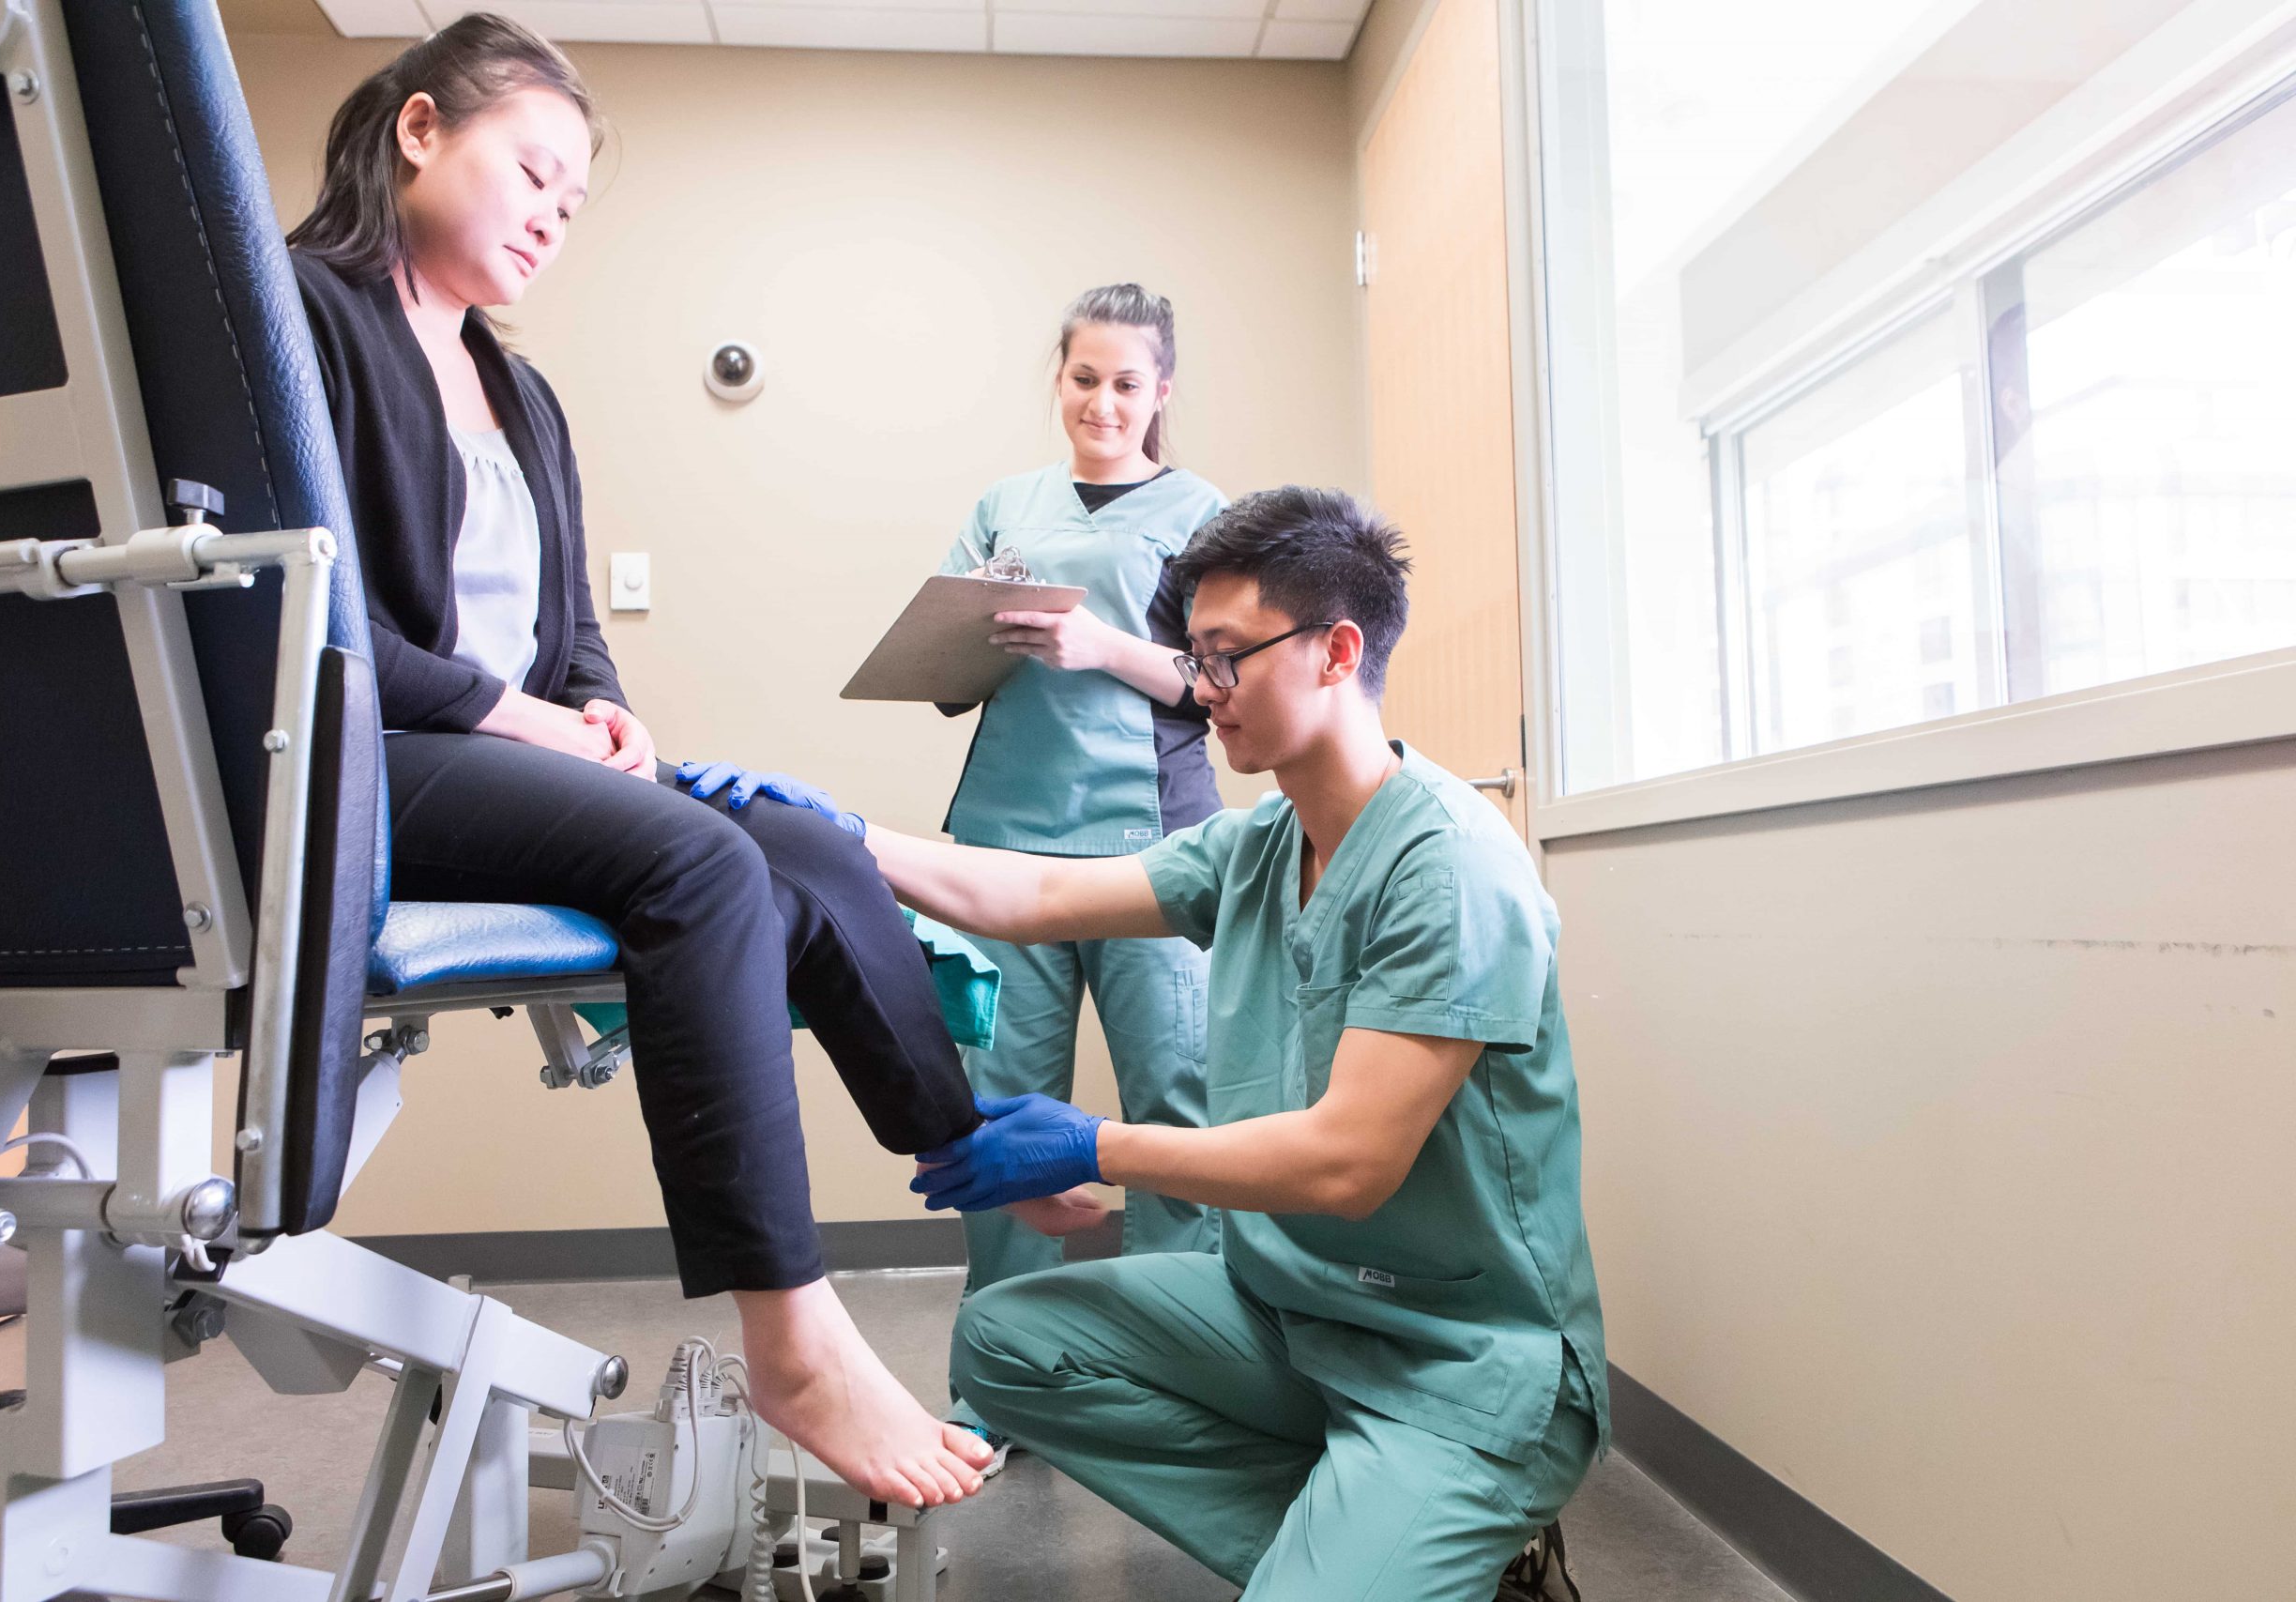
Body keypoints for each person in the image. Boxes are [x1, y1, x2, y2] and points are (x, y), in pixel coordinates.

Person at [284, 14, 991, 1507]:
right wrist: (533, 721)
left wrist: (602, 715)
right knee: (697, 859)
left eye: (573, 196)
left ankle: (967, 1144)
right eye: (531, 170)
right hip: (361, 753)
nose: (553, 210)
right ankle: (790, 1332)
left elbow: (570, 628)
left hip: (495, 750)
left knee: (801, 839)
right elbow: (317, 616)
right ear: (420, 132)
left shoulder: (519, 391)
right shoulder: (302, 316)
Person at [869, 487, 1610, 1597]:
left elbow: (1345, 1165)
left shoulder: (1451, 866)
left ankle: (1424, 1532)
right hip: (1292, 1313)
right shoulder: (1261, 843)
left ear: (1334, 650)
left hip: (1459, 1360)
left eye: (1223, 658)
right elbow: (1022, 892)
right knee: (1008, 1345)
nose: (1200, 691)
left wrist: (1092, 1146)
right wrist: (829, 835)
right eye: (1195, 660)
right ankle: (1418, 1555)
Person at [930, 285, 1230, 1454]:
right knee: (1001, 1120)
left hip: (1154, 851)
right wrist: (972, 629)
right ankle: (1006, 1386)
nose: (1102, 401)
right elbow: (947, 663)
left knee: (1179, 1116)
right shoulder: (1006, 505)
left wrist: (1101, 644)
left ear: (1161, 393)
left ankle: (1180, 1379)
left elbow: (1222, 685)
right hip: (1005, 847)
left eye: (1126, 382)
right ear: (1058, 381)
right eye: (1082, 378)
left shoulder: (1205, 515)